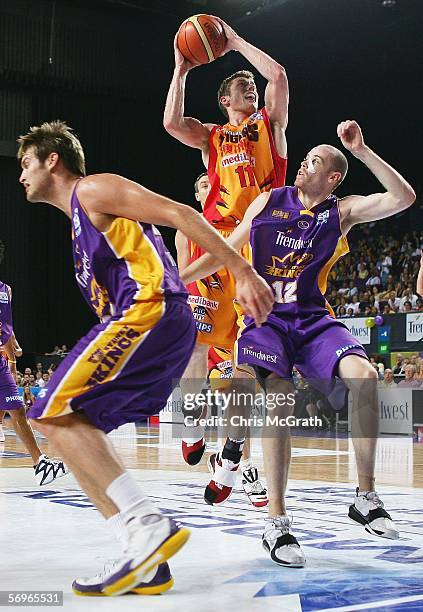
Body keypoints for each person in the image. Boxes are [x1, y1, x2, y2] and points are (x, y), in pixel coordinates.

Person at [17, 120, 273, 596]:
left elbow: (180, 213)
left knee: (52, 411)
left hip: (151, 312)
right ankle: (145, 556)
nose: (21, 175)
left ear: (53, 160)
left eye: (26, 163)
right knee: (70, 424)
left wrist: (241, 269)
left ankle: (146, 525)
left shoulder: (94, 189)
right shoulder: (78, 223)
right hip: (159, 325)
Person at [181, 119, 415, 566]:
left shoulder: (340, 212)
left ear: (332, 178)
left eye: (313, 162)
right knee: (278, 399)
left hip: (311, 318)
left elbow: (403, 198)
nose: (302, 166)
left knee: (365, 376)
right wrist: (177, 278)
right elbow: (226, 249)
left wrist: (363, 151)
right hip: (267, 318)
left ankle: (365, 497)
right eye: (304, 159)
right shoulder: (269, 201)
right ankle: (277, 522)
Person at [164, 16, 289, 470]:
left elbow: (277, 76)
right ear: (224, 100)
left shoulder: (268, 127)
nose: (250, 89)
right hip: (216, 239)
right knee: (198, 341)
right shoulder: (212, 137)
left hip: (261, 241)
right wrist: (181, 69)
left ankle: (234, 449)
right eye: (241, 87)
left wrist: (234, 42)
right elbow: (172, 123)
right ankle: (193, 429)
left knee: (252, 356)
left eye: (250, 87)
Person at [177, 173, 268, 507]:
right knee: (198, 350)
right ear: (200, 196)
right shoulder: (189, 228)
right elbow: (185, 280)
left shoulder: (244, 225)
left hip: (238, 307)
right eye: (202, 185)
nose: (209, 188)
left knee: (243, 395)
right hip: (207, 302)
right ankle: (193, 425)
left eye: (212, 183)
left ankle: (238, 464)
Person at [0, 281, 68, 483]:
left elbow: (7, 328)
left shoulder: (6, 290)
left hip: (1, 361)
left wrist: (12, 359)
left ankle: (41, 463)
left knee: (18, 410)